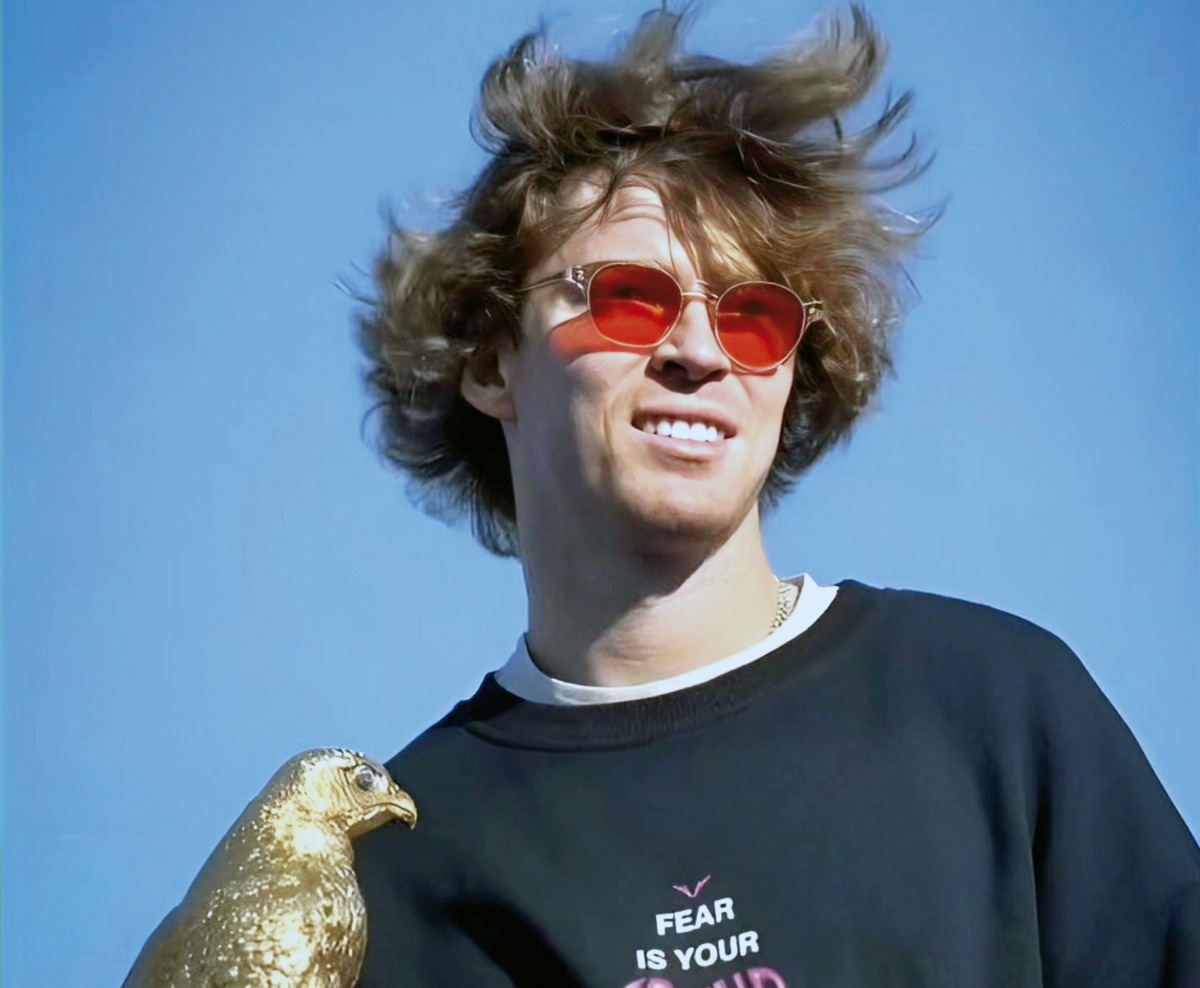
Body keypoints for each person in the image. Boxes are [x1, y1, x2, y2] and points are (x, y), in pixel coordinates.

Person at [352, 6, 1200, 985]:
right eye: (631, 297)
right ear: (491, 359)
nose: (701, 351)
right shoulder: (403, 863)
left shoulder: (991, 707)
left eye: (756, 317)